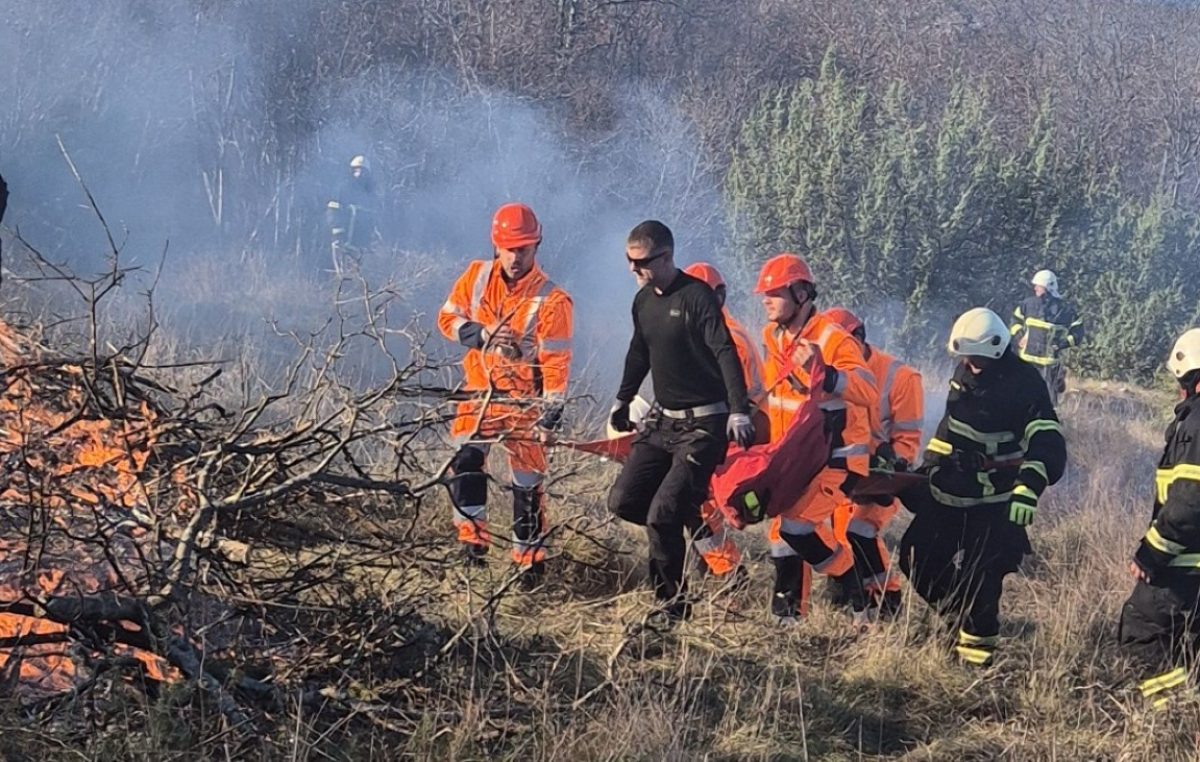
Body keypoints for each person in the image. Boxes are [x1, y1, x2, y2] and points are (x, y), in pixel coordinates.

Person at [900, 307, 1065, 666]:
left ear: (994, 350)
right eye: (964, 357)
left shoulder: (1024, 384)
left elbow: (1048, 441)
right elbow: (950, 427)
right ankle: (955, 615)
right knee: (916, 556)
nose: (967, 363)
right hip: (952, 491)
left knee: (982, 581)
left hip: (997, 501)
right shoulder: (966, 371)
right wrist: (928, 467)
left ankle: (975, 666)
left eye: (974, 358)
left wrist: (1029, 487)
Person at [607, 221, 754, 625]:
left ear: (667, 257)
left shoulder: (697, 297)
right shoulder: (643, 302)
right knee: (625, 502)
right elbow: (639, 353)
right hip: (663, 424)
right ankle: (682, 529)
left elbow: (726, 353)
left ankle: (670, 609)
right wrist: (622, 399)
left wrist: (739, 410)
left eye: (642, 263)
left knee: (661, 515)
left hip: (705, 427)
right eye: (629, 262)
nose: (635, 270)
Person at [436, 203, 573, 589]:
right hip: (478, 393)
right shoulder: (476, 276)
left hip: (524, 403)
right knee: (465, 463)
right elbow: (447, 318)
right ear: (497, 245)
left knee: (527, 485)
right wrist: (482, 335)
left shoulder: (552, 299)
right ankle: (472, 546)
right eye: (511, 249)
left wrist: (550, 417)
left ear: (537, 245)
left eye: (525, 249)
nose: (517, 257)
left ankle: (529, 565)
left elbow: (556, 365)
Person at [756, 254, 879, 624]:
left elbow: (867, 391)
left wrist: (821, 373)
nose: (766, 300)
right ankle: (787, 618)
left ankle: (857, 589)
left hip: (837, 458)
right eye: (764, 293)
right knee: (781, 534)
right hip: (795, 457)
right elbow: (777, 398)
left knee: (797, 528)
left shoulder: (833, 338)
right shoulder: (772, 337)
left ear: (801, 292)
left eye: (774, 292)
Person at [1118, 328, 1200, 709]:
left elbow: (1189, 502)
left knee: (1142, 633)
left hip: (1185, 563)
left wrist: (1152, 552)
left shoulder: (1196, 425)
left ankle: (1173, 712)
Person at [823, 307, 923, 616]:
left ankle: (887, 598)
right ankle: (849, 598)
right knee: (836, 536)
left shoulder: (902, 377)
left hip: (881, 475)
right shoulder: (829, 375)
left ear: (860, 339)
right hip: (842, 470)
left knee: (860, 530)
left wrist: (892, 464)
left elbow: (908, 440)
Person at [682, 262, 766, 582]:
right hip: (716, 428)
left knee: (696, 499)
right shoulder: (703, 331)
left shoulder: (731, 339)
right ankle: (713, 567)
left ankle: (727, 573)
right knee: (692, 500)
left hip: (738, 433)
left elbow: (736, 401)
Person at [1010, 269, 1084, 405]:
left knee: (1038, 401)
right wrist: (1020, 336)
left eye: (1038, 285)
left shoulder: (1063, 310)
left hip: (1043, 365)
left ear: (1046, 287)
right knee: (1035, 400)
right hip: (1035, 362)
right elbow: (1015, 320)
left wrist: (1061, 344)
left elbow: (1077, 333)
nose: (1035, 288)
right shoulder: (1032, 304)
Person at [326, 155, 378, 272]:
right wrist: (338, 231)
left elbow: (373, 216)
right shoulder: (343, 188)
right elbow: (333, 210)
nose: (359, 174)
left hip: (360, 241)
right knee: (341, 272)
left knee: (360, 273)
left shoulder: (370, 192)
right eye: (356, 170)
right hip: (343, 238)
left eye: (362, 171)